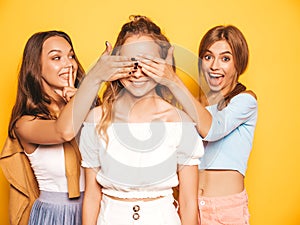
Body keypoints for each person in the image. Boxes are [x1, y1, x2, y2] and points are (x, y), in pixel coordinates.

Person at [79, 15, 204, 225]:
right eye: (130, 63)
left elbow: (188, 200)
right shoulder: (95, 120)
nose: (137, 73)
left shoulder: (181, 123)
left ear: (163, 64)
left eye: (148, 63)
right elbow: (92, 196)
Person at [0, 30, 134, 225]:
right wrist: (94, 78)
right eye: (56, 57)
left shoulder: (91, 111)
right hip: (53, 215)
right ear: (36, 67)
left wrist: (84, 100)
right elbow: (63, 131)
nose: (68, 63)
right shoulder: (25, 124)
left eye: (71, 56)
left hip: (99, 208)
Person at [139, 25, 258, 224]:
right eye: (208, 56)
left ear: (239, 62)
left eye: (225, 58)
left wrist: (172, 80)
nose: (214, 66)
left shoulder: (245, 101)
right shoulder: (192, 105)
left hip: (225, 210)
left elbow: (212, 129)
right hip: (189, 206)